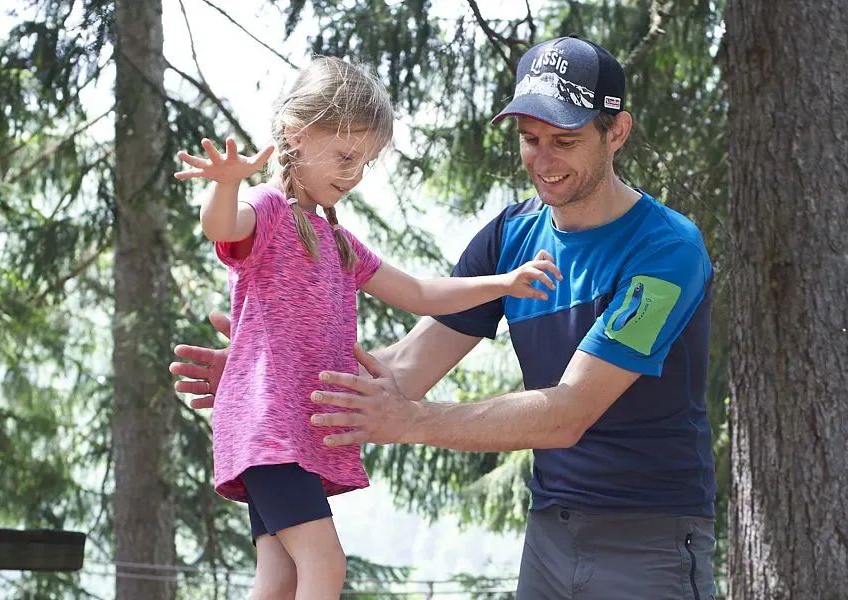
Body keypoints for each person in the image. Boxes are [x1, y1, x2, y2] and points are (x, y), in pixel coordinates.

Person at [173, 38, 717, 599]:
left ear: (617, 132)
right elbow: (405, 366)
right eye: (531, 140)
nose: (545, 160)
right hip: (550, 535)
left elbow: (568, 414)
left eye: (566, 140)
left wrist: (411, 421)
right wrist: (267, 376)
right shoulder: (512, 237)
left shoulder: (666, 251)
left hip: (651, 539)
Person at [171, 55, 561, 600]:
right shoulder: (266, 212)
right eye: (345, 155)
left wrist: (503, 283)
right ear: (296, 136)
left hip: (287, 429)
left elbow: (422, 294)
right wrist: (228, 186)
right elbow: (222, 228)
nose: (353, 175)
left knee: (280, 577)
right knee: (324, 566)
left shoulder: (337, 243)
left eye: (365, 163)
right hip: (268, 425)